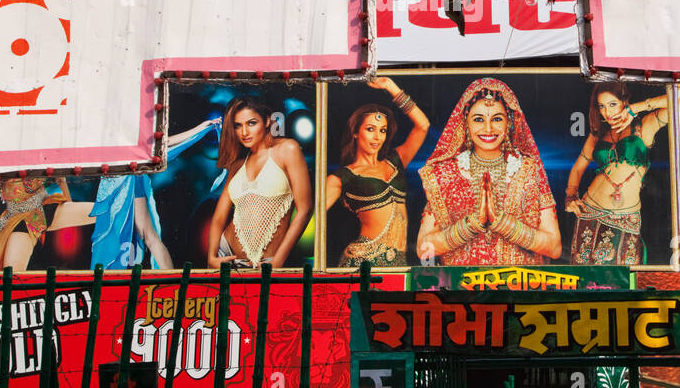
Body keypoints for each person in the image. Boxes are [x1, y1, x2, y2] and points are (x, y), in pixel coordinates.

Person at [416, 78, 561, 266]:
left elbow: (555, 248)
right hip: (463, 289)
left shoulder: (529, 170)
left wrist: (501, 222)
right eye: (478, 119)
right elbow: (423, 249)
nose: (488, 128)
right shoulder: (445, 175)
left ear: (509, 123)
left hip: (520, 286)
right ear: (465, 123)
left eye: (497, 119)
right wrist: (473, 224)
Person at [324, 77, 430, 267]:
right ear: (356, 132)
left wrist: (391, 87)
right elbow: (311, 213)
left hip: (399, 260)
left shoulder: (396, 161)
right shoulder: (342, 177)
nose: (377, 137)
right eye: (370, 129)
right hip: (363, 260)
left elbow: (423, 126)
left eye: (382, 130)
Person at [89, 118, 219, 270]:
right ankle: (168, 279)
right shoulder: (104, 123)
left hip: (128, 177)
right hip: (113, 183)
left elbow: (163, 143)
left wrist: (199, 128)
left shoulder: (124, 122)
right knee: (138, 234)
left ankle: (169, 280)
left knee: (147, 234)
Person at [565, 82, 669, 265]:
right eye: (602, 106)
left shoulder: (644, 126)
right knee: (585, 276)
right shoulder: (597, 134)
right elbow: (578, 168)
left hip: (626, 218)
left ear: (625, 101)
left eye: (613, 104)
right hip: (590, 212)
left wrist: (636, 108)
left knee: (620, 278)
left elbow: (678, 102)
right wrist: (571, 195)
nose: (607, 112)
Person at [206, 97, 312, 269]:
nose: (244, 132)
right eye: (238, 125)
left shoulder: (287, 149)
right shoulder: (237, 164)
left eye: (251, 123)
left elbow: (305, 210)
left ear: (267, 120)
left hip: (268, 263)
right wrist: (211, 256)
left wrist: (277, 262)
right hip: (226, 256)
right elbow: (219, 217)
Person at [0, 175, 94, 271]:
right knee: (11, 273)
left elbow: (60, 178)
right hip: (18, 220)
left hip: (46, 207)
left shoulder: (42, 152)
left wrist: (69, 201)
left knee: (101, 211)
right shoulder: (4, 156)